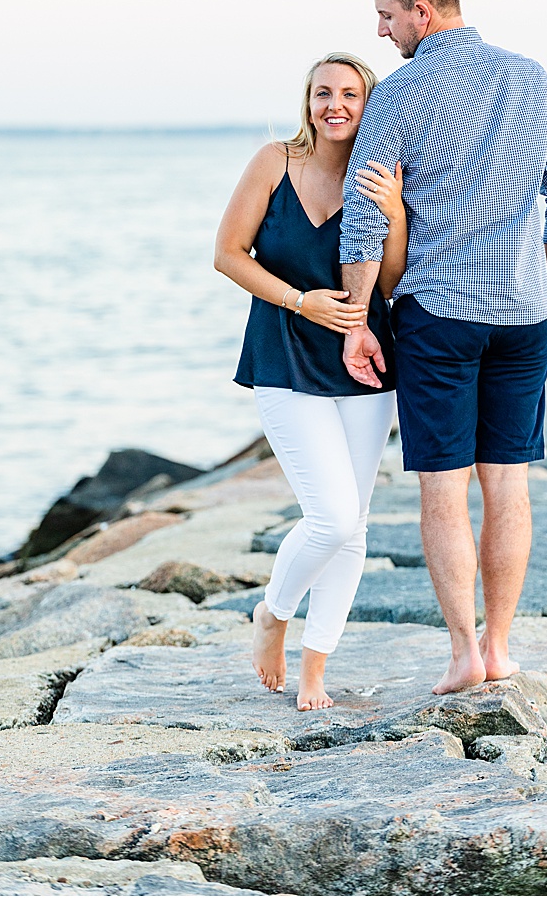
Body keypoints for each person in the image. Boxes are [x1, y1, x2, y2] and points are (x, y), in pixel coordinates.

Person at [337, 0, 547, 696]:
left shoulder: (403, 93)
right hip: (521, 316)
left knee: (442, 491)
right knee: (508, 484)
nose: (381, 31)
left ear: (423, 10)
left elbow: (362, 216)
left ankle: (460, 654)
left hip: (439, 315)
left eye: (386, 15)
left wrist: (357, 321)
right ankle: (501, 646)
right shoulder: (533, 79)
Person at [214, 52, 409, 710]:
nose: (336, 105)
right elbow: (227, 255)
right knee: (330, 516)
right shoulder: (275, 161)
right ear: (307, 101)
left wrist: (396, 210)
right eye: (323, 92)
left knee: (354, 529)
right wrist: (302, 302)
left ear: (369, 103)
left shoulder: (379, 173)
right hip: (283, 355)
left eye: (351, 94)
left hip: (365, 361)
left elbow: (391, 282)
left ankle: (315, 668)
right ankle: (272, 613)